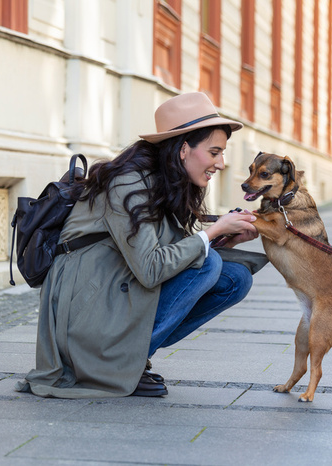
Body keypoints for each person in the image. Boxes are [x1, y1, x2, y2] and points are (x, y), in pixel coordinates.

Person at [16, 92, 268, 399]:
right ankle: (113, 364)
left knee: (235, 278)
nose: (221, 163)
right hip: (86, 302)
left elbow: (171, 254)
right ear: (184, 149)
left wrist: (224, 236)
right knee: (211, 265)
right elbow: (151, 269)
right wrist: (212, 233)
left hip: (114, 288)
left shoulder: (164, 181)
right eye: (214, 152)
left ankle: (128, 360)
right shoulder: (128, 182)